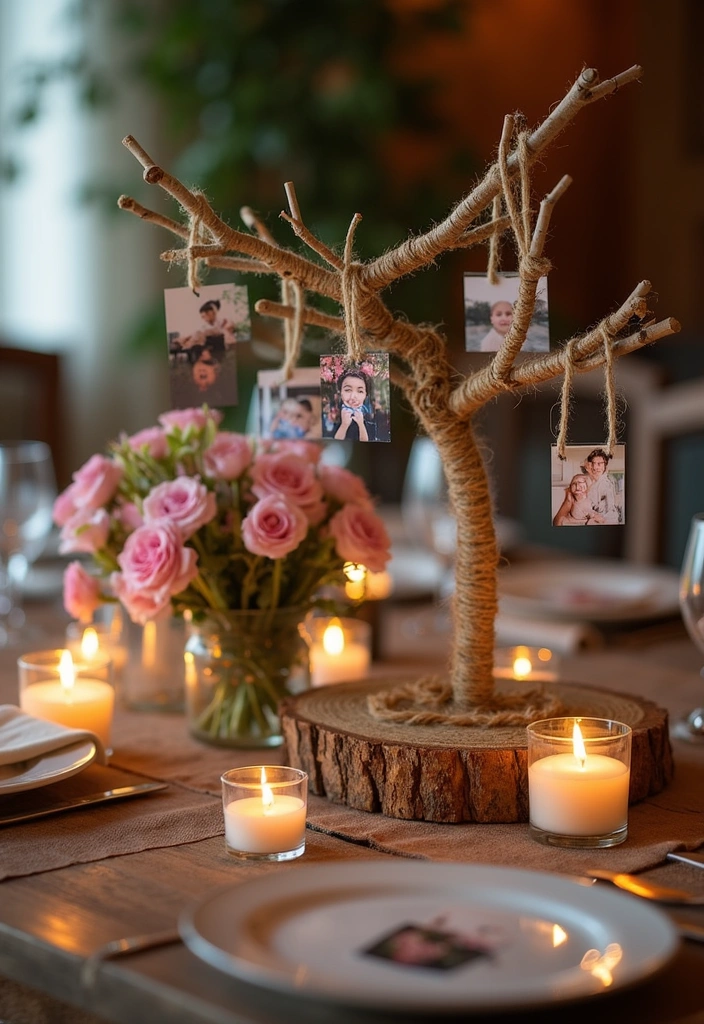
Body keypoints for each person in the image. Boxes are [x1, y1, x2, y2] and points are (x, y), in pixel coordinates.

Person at [326, 368, 377, 441]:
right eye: (348, 390)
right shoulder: (331, 420)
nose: (353, 397)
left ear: (366, 395)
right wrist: (344, 425)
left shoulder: (373, 422)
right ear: (340, 392)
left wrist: (361, 425)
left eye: (360, 391)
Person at [582, 448, 620, 524]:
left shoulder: (607, 483)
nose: (595, 467)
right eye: (593, 463)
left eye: (599, 464)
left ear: (604, 465)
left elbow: (610, 509)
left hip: (608, 519)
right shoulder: (585, 481)